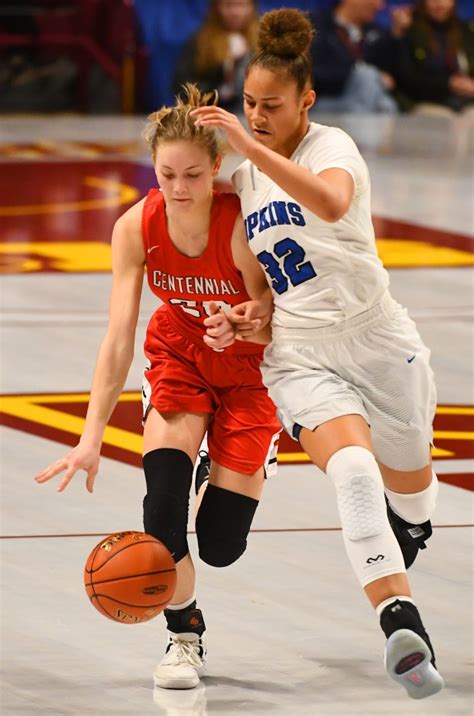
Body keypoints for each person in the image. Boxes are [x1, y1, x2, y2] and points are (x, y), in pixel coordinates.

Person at [192, 8, 445, 700]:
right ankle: (404, 627)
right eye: (248, 103)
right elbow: (253, 268)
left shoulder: (332, 148)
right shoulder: (243, 179)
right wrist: (252, 313)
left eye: (271, 105)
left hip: (380, 339)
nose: (257, 115)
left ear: (306, 100)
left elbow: (331, 207)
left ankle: (409, 528)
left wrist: (251, 144)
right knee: (356, 475)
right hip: (302, 352)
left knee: (412, 502)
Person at [34, 83, 280, 691]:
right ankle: (184, 633)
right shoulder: (134, 227)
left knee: (221, 546)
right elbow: (118, 337)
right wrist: (91, 436)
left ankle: (223, 467)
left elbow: (276, 312)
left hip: (251, 371)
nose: (178, 187)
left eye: (193, 174)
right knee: (161, 507)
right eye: (166, 173)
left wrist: (248, 321)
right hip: (179, 354)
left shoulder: (242, 225)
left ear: (217, 166)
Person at [308, 0, 402, 114]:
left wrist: (398, 36)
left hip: (370, 99)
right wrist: (354, 73)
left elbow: (397, 74)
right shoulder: (316, 26)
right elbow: (309, 73)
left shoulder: (379, 33)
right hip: (326, 100)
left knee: (387, 105)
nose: (379, 5)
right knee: (366, 76)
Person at [173, 0, 258, 113]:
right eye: (228, 5)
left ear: (251, 7)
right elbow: (182, 87)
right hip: (214, 114)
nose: (235, 12)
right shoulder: (201, 41)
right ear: (217, 7)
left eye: (241, 5)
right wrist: (218, 80)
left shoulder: (263, 41)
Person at [393, 0, 474, 113]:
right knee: (439, 119)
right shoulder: (411, 31)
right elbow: (405, 77)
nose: (439, 4)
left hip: (467, 101)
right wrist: (448, 83)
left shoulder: (467, 31)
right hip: (425, 102)